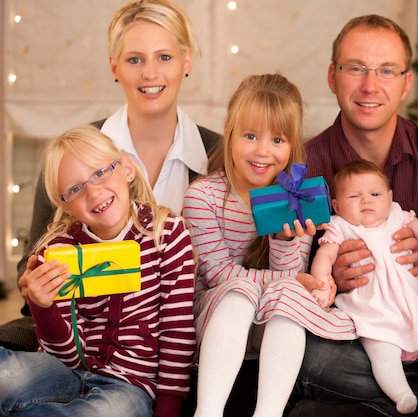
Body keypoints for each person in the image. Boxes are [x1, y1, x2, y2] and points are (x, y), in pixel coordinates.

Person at [289, 14, 418, 417]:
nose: (370, 85)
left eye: (386, 71)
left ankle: (387, 403)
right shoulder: (304, 167)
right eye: (355, 68)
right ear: (332, 76)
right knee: (306, 357)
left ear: (406, 83)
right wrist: (331, 282)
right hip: (356, 342)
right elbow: (285, 273)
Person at [1, 0, 220, 352]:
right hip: (84, 341)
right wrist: (35, 284)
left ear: (187, 61)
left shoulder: (221, 158)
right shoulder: (70, 158)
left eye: (164, 57)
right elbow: (33, 275)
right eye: (135, 59)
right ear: (114, 66)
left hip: (185, 344)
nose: (150, 73)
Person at [182, 73, 357, 417]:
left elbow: (288, 278)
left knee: (291, 295)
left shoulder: (297, 198)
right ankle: (209, 412)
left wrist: (282, 240)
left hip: (270, 323)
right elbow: (218, 274)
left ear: (292, 145)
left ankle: (268, 413)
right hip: (219, 316)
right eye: (250, 136)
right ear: (229, 130)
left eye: (278, 140)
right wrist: (293, 281)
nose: (263, 151)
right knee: (239, 292)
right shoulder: (202, 196)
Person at [0, 125, 196, 417]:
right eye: (75, 188)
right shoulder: (59, 250)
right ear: (63, 204)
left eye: (100, 172)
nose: (93, 192)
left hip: (131, 386)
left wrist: (168, 410)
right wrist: (43, 308)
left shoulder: (166, 233)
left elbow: (177, 333)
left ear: (126, 168)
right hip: (62, 370)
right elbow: (64, 354)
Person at [310, 160, 418, 415]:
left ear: (390, 198)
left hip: (412, 312)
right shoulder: (341, 226)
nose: (366, 200)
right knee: (382, 354)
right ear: (337, 205)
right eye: (354, 196)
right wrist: (322, 284)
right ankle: (401, 394)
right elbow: (324, 257)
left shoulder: (399, 217)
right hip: (374, 314)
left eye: (375, 194)